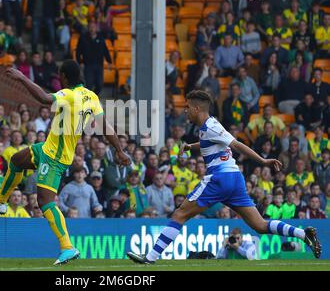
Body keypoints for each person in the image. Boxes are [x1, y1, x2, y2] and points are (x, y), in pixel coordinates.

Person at [127, 90, 321, 264]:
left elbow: (236, 144)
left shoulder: (211, 126)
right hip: (234, 179)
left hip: (219, 178)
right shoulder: (206, 127)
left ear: (197, 108)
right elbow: (209, 142)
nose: (185, 111)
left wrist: (263, 161)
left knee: (179, 214)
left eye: (187, 107)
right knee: (260, 225)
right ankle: (304, 234)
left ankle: (150, 257)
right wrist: (189, 146)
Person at [0, 61, 131, 265]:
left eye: (60, 76)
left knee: (45, 201)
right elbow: (106, 127)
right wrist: (119, 150)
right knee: (16, 161)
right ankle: (0, 203)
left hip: (55, 157)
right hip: (47, 148)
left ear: (64, 77)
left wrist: (22, 78)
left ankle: (67, 247)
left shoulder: (68, 95)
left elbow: (44, 98)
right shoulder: (90, 96)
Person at [76, 22, 112, 95]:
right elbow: (78, 51)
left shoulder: (100, 37)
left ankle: (93, 97)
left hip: (99, 65)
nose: (92, 29)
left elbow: (105, 50)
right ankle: (89, 102)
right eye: (91, 27)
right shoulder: (83, 37)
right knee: (89, 85)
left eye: (93, 27)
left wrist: (109, 61)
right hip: (88, 65)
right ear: (88, 28)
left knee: (99, 85)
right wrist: (80, 62)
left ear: (96, 28)